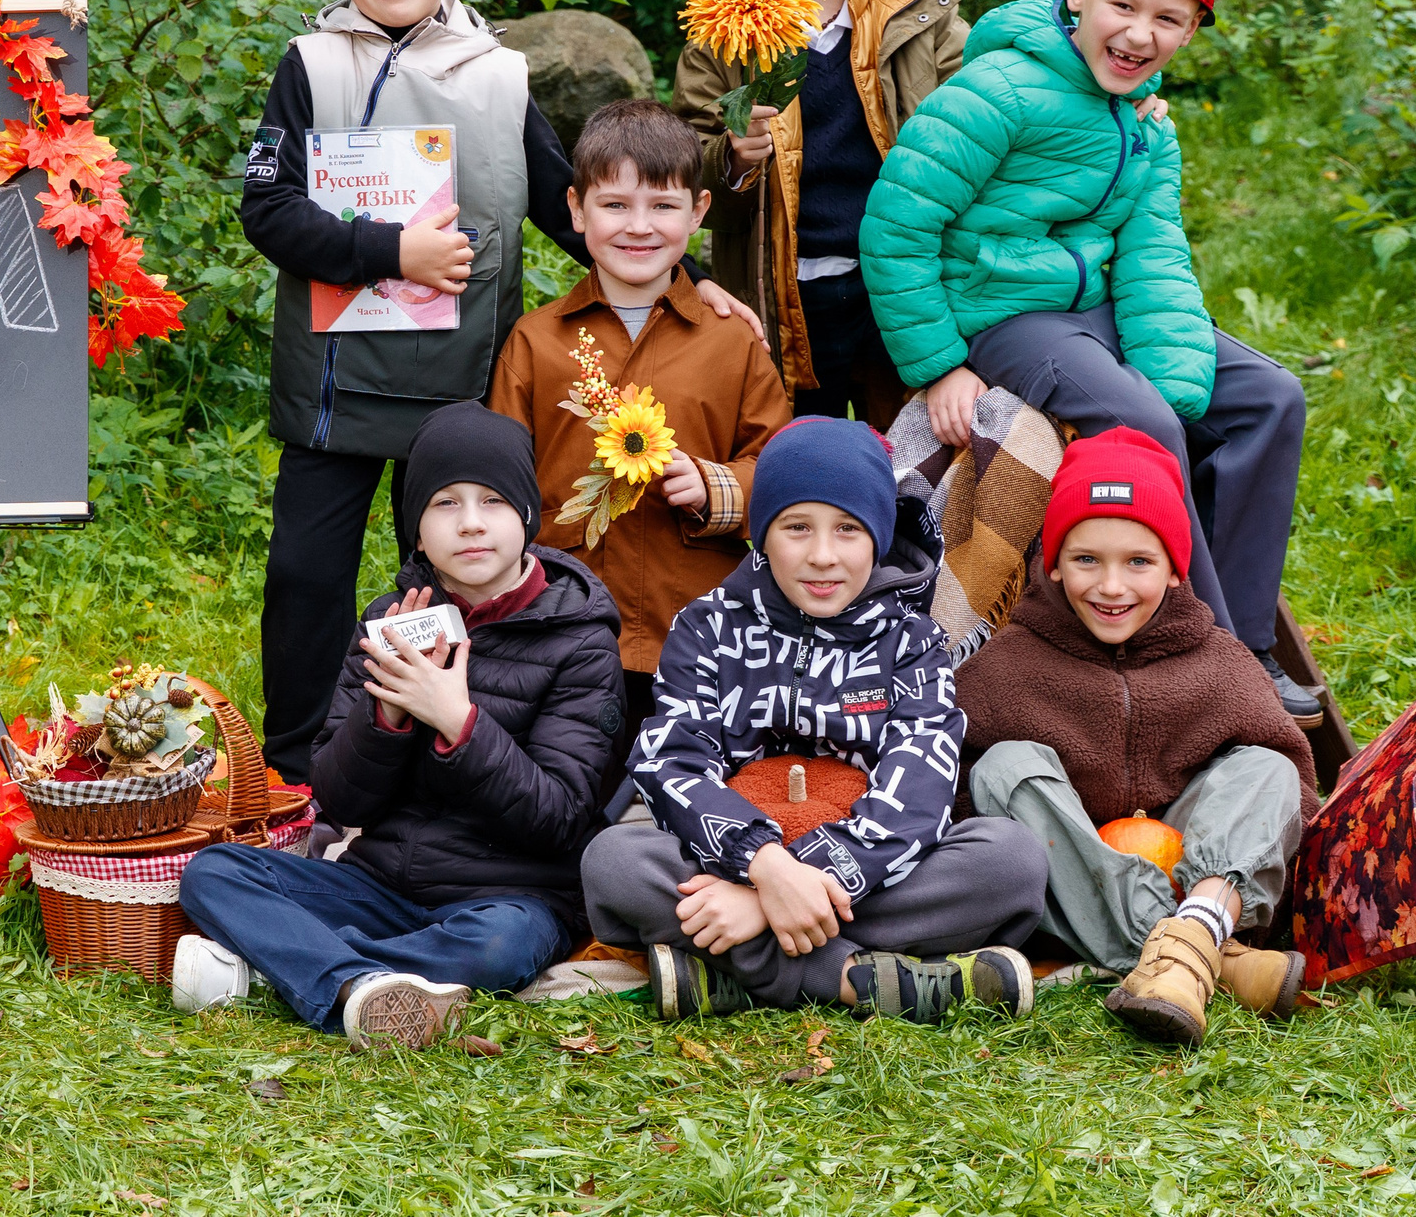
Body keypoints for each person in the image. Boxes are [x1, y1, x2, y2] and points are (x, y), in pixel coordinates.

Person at [242, 0, 758, 782]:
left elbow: (568, 202)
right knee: (305, 578)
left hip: (458, 382)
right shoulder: (310, 64)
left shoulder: (496, 73)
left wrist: (688, 278)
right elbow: (267, 211)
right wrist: (392, 252)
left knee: (441, 579)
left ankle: (422, 755)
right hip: (334, 382)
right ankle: (291, 771)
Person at [857, 0, 1322, 720]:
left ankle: (1245, 639)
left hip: (1095, 308)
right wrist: (936, 365)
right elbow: (897, 225)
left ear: (1191, 32)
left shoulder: (1147, 125)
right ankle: (1207, 658)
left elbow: (1154, 256)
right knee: (1141, 422)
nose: (1140, 34)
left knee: (1269, 400)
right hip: (1002, 312)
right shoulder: (998, 90)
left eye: (1168, 20)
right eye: (1124, 6)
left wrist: (1181, 378)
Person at [173, 402, 621, 1049]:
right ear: (415, 526)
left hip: (508, 897)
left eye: (493, 500)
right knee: (214, 872)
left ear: (526, 513)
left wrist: (458, 722)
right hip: (379, 882)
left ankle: (301, 968)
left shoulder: (578, 636)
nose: (471, 523)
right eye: (445, 503)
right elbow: (339, 796)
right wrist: (386, 715)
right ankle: (364, 985)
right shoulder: (391, 618)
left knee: (500, 947)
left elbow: (558, 818)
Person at [582, 417, 1048, 1024]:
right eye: (797, 527)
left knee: (1011, 861)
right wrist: (764, 867)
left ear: (878, 538)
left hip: (865, 866)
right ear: (762, 536)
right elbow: (673, 761)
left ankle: (739, 971)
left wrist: (775, 897)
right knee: (615, 862)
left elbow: (919, 787)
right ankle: (857, 980)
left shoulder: (912, 643)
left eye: (848, 530)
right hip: (732, 856)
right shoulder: (708, 627)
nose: (823, 556)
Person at [958, 427, 1320, 1044]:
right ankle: (1205, 955)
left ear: (1176, 571)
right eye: (1086, 560)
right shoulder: (1004, 667)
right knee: (1001, 769)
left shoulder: (1219, 663)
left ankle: (1197, 928)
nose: (1112, 587)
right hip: (1073, 888)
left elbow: (1290, 799)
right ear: (1053, 565)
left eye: (1139, 562)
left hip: (1199, 871)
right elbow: (961, 804)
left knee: (1266, 767)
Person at [487, 98, 788, 736]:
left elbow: (783, 469)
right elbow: (500, 485)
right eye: (615, 205)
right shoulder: (536, 342)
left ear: (699, 211)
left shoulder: (731, 342)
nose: (639, 227)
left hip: (699, 630)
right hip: (562, 629)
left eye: (663, 206)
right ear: (576, 209)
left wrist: (716, 486)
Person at [672, 0, 967, 428]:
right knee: (802, 459)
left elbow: (1000, 91)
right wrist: (730, 159)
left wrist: (1127, 91)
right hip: (781, 292)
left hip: (895, 286)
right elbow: (686, 181)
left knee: (911, 454)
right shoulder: (724, 32)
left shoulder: (917, 17)